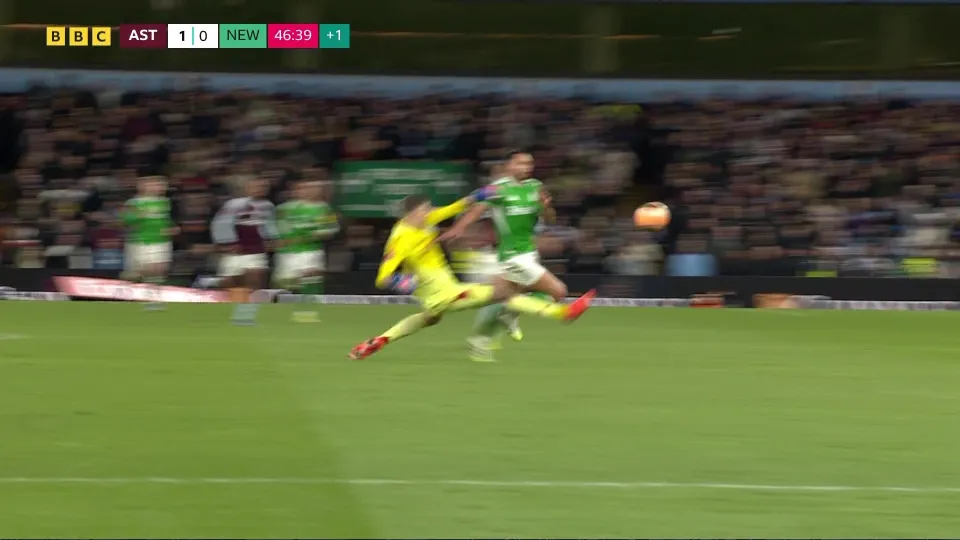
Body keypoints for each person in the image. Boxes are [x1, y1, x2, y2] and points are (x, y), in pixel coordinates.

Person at [348, 191, 595, 361]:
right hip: (442, 293)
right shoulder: (400, 237)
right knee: (502, 293)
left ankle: (378, 341)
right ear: (411, 214)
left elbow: (457, 206)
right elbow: (383, 277)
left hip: (444, 289)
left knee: (429, 319)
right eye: (425, 210)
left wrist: (485, 192)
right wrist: (410, 281)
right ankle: (562, 313)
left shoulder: (424, 220)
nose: (430, 213)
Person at [439, 150, 563, 361]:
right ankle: (506, 315)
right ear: (509, 166)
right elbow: (476, 210)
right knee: (557, 292)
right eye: (520, 163)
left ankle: (481, 339)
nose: (525, 167)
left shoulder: (536, 187)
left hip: (529, 253)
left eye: (529, 164)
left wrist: (546, 207)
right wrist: (457, 229)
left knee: (500, 296)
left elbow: (550, 219)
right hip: (512, 255)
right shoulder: (498, 189)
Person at [211, 178, 278, 325]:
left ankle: (248, 315)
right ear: (247, 188)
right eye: (256, 185)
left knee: (255, 280)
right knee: (230, 283)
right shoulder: (234, 205)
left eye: (263, 186)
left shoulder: (267, 206)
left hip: (256, 251)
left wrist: (272, 239)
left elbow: (270, 225)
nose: (260, 188)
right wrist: (226, 243)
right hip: (234, 252)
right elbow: (220, 224)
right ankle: (231, 312)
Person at [275, 180, 340, 322]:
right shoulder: (286, 208)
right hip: (288, 252)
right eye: (304, 188)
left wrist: (313, 235)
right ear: (296, 191)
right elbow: (279, 227)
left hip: (311, 250)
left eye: (314, 189)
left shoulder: (324, 208)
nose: (310, 192)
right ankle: (283, 313)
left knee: (312, 278)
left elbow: (331, 229)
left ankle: (310, 312)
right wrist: (281, 239)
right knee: (287, 284)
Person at [121, 176, 178, 311]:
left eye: (161, 185)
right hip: (141, 241)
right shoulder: (134, 203)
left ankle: (154, 301)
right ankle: (130, 284)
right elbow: (126, 220)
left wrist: (172, 227)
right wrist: (138, 216)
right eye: (155, 185)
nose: (160, 188)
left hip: (161, 240)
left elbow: (165, 219)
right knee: (142, 272)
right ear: (143, 187)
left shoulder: (164, 202)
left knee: (160, 269)